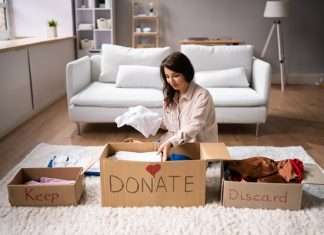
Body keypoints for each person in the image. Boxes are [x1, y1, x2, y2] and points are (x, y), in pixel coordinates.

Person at [158, 52, 218, 161]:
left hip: (198, 148)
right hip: (179, 145)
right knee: (154, 156)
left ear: (186, 73)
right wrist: (151, 121)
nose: (171, 81)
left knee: (174, 164)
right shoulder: (172, 96)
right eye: (167, 77)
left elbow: (195, 126)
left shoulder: (202, 95)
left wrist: (171, 142)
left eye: (176, 76)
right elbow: (171, 125)